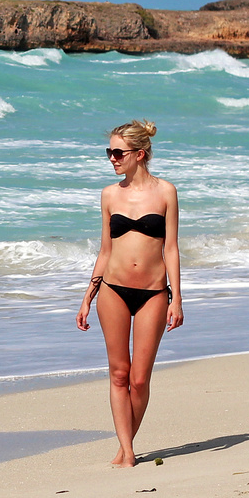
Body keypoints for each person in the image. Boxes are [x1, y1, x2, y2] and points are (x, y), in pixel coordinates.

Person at [76, 119, 183, 467]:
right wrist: (87, 297)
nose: (112, 158)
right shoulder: (109, 194)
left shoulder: (166, 192)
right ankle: (128, 451)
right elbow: (105, 251)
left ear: (140, 154)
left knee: (139, 378)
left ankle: (125, 446)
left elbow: (171, 249)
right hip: (112, 291)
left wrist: (176, 297)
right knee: (118, 373)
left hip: (153, 292)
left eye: (118, 152)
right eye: (109, 152)